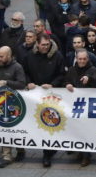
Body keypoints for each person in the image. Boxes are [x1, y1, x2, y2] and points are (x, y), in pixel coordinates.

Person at [25, 33, 66, 167]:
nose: (45, 47)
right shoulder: (30, 56)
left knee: (49, 123)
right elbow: (24, 72)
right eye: (43, 45)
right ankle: (48, 150)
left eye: (47, 45)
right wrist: (29, 82)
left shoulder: (57, 56)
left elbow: (62, 74)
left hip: (52, 95)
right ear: (37, 44)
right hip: (35, 95)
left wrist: (53, 84)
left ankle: (47, 154)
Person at [65, 49, 96, 167]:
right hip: (74, 105)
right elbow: (65, 80)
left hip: (88, 106)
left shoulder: (93, 69)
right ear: (76, 59)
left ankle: (86, 155)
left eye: (84, 59)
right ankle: (79, 151)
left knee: (85, 129)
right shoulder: (71, 70)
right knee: (76, 128)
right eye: (79, 59)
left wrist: (89, 79)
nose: (82, 61)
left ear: (88, 59)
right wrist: (67, 84)